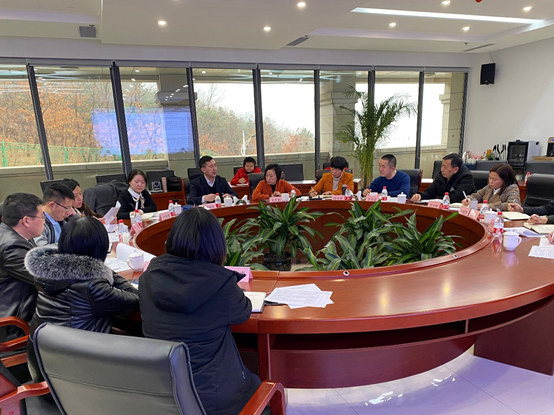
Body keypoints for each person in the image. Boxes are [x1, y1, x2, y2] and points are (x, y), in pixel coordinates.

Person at [139, 208, 260, 415]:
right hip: (214, 399)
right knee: (258, 383)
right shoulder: (222, 285)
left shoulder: (147, 278)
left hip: (162, 392)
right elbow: (244, 311)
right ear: (217, 246)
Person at [24, 216, 139, 382]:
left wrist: (97, 269)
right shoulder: (91, 287)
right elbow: (135, 298)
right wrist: (101, 269)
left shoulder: (48, 272)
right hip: (74, 376)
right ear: (100, 248)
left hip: (43, 366)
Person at [0, 193, 45, 341]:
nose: (44, 221)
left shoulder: (10, 234)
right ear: (26, 220)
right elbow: (45, 279)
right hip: (14, 323)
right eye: (42, 216)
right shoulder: (12, 246)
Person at [411, 153, 475, 203]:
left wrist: (437, 199)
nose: (442, 169)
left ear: (455, 169)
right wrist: (420, 195)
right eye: (442, 166)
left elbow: (456, 197)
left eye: (445, 167)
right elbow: (431, 191)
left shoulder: (466, 177)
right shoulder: (441, 175)